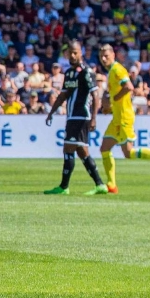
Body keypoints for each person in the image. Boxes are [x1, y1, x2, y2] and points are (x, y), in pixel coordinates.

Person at [97, 44, 150, 193]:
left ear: (113, 55)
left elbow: (129, 87)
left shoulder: (117, 69)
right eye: (101, 56)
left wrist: (114, 99)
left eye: (106, 56)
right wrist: (110, 106)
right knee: (104, 148)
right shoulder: (111, 71)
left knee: (129, 153)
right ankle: (111, 185)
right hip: (117, 117)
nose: (103, 59)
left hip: (124, 117)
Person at [43, 40, 108, 195]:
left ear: (81, 53)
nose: (72, 55)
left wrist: (94, 118)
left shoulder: (87, 72)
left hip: (81, 116)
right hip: (72, 116)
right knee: (82, 152)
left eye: (75, 52)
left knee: (68, 148)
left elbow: (95, 95)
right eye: (70, 53)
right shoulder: (69, 73)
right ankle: (100, 184)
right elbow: (63, 95)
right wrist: (51, 112)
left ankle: (64, 187)